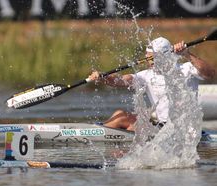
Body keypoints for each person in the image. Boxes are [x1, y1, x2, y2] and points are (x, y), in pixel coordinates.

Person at [87, 36, 215, 131]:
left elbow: (210, 74)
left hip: (184, 129)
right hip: (160, 127)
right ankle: (99, 131)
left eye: (153, 57)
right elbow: (120, 81)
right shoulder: (146, 75)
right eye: (148, 57)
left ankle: (92, 134)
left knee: (121, 120)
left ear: (166, 56)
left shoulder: (186, 69)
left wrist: (187, 54)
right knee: (119, 114)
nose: (150, 62)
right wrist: (103, 77)